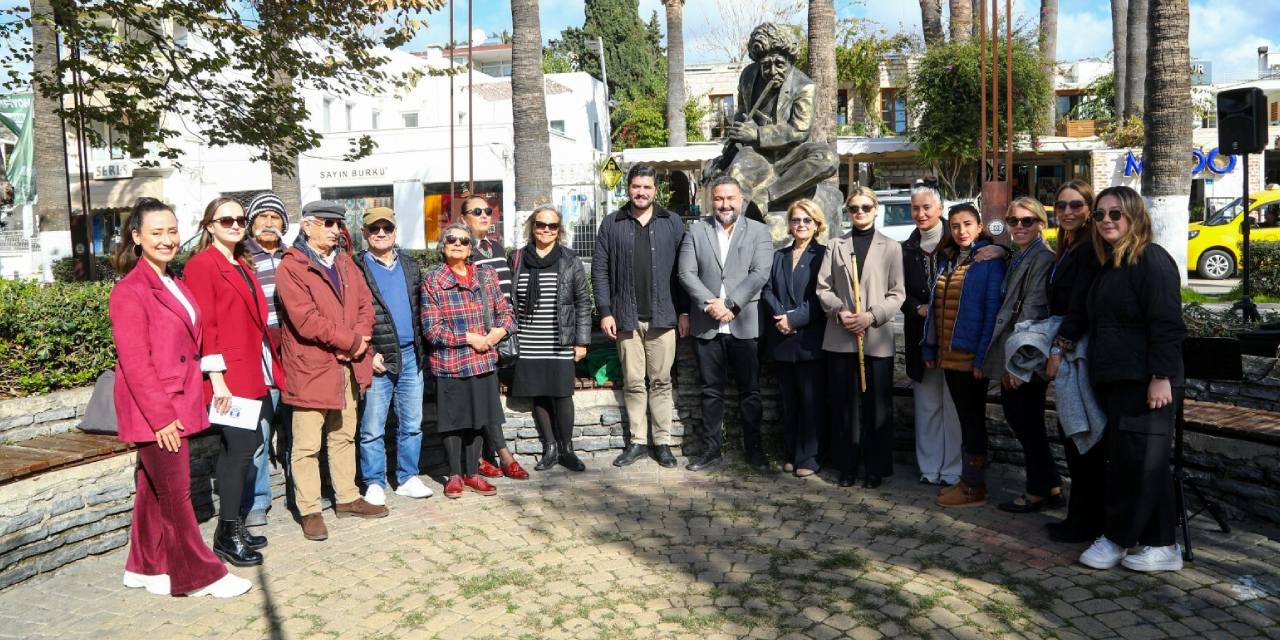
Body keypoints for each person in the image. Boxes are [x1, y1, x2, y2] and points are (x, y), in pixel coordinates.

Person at [110, 197, 251, 598]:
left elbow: (194, 344)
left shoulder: (176, 282)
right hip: (157, 413)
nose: (167, 239)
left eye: (172, 231)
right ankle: (198, 575)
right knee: (176, 495)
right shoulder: (129, 291)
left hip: (179, 403)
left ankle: (143, 566)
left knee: (152, 492)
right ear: (137, 237)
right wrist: (160, 419)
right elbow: (136, 363)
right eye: (157, 232)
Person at [1077, 186, 1187, 572]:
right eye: (1100, 215)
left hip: (1146, 381)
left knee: (1138, 462)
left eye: (1115, 214)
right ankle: (1161, 545)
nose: (1106, 220)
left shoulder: (1150, 260)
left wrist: (1161, 376)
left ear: (1135, 217)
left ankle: (1117, 539)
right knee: (1141, 461)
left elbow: (1167, 323)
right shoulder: (1113, 264)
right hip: (1118, 379)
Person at [183, 197, 287, 567]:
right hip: (228, 378)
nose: (235, 224)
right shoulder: (202, 266)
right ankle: (227, 533)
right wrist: (218, 381)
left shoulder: (241, 262)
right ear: (209, 225)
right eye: (226, 219)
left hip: (252, 370)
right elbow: (204, 328)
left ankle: (234, 525)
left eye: (240, 219)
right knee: (240, 450)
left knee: (243, 450)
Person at [276, 200, 388, 542]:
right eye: (327, 223)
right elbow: (306, 320)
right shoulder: (291, 267)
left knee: (344, 435)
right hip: (313, 366)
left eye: (338, 224)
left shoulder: (343, 262)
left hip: (347, 365)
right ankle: (309, 509)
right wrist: (351, 342)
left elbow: (365, 303)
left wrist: (359, 337)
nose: (335, 230)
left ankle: (346, 497)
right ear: (307, 226)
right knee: (307, 444)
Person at [593, 164, 689, 468]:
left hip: (664, 317)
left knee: (661, 381)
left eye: (647, 187)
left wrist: (685, 310)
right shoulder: (612, 223)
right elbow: (599, 271)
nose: (641, 192)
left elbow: (683, 272)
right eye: (636, 187)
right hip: (626, 317)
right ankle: (637, 441)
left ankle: (662, 442)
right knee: (634, 381)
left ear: (655, 190)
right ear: (628, 188)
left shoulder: (672, 222)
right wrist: (606, 311)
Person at [678, 175, 774, 472]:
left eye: (730, 198)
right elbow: (686, 273)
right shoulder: (696, 231)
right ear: (711, 201)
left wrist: (731, 304)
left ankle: (754, 450)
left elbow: (760, 273)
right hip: (707, 324)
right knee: (710, 391)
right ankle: (711, 450)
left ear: (741, 199)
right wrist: (711, 304)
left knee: (750, 391)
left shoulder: (758, 231)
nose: (724, 204)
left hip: (744, 323)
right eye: (719, 198)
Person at [817, 187, 906, 488]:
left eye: (866, 207)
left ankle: (875, 468)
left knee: (877, 406)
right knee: (844, 405)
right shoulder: (836, 245)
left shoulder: (892, 247)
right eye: (854, 208)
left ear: (876, 209)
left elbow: (898, 293)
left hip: (876, 337)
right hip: (841, 336)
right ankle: (847, 465)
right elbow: (823, 288)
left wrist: (871, 316)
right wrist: (841, 312)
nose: (860, 213)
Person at [422, 222, 516, 498]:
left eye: (464, 241)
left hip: (484, 359)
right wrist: (469, 338)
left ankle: (473, 473)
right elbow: (432, 328)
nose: (457, 244)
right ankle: (453, 474)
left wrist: (498, 332)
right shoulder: (433, 279)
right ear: (442, 245)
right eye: (451, 239)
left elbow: (506, 312)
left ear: (471, 248)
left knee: (478, 418)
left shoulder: (485, 276)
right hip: (450, 362)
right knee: (453, 421)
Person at [923, 203, 1007, 508]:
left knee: (972, 421)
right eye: (956, 226)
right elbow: (936, 309)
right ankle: (968, 481)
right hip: (949, 357)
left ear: (980, 226)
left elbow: (991, 314)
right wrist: (930, 348)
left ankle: (974, 487)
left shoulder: (989, 262)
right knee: (965, 419)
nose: (962, 231)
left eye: (968, 224)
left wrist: (982, 358)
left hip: (970, 359)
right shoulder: (950, 260)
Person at [981, 197, 1062, 513]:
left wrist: (1017, 365)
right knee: (1023, 421)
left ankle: (1038, 491)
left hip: (1024, 355)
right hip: (1014, 351)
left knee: (1026, 422)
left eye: (1027, 221)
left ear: (1041, 223)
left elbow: (1033, 311)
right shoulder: (1020, 254)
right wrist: (1002, 249)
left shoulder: (1041, 258)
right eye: (1014, 221)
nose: (1019, 227)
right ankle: (1050, 485)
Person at [354, 207, 432, 505]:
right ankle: (374, 481)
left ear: (395, 231)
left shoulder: (410, 266)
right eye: (375, 229)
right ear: (366, 234)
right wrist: (366, 353)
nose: (381, 233)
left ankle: (407, 477)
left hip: (411, 356)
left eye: (387, 228)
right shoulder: (355, 267)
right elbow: (349, 316)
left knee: (412, 422)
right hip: (376, 357)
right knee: (372, 426)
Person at [1043, 181, 1106, 543]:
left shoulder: (1088, 249)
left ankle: (1084, 521)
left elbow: (1080, 305)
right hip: (1070, 349)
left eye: (1077, 205)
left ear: (1089, 208)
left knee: (1080, 434)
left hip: (1077, 353)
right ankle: (1081, 517)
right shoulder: (1069, 246)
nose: (1068, 211)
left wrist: (1058, 349)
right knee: (1072, 434)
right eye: (1062, 205)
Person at [508, 206, 593, 472]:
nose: (546, 230)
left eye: (552, 226)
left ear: (559, 230)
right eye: (541, 224)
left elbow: (582, 302)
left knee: (562, 394)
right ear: (532, 226)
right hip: (529, 339)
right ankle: (550, 448)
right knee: (539, 396)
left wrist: (581, 341)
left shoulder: (570, 259)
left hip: (560, 339)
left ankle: (567, 449)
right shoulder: (518, 258)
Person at [459, 194, 528, 481]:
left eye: (488, 210)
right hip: (476, 338)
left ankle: (482, 457)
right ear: (463, 218)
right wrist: (482, 335)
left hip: (500, 334)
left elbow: (506, 294)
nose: (485, 215)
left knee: (488, 398)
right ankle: (500, 454)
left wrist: (505, 327)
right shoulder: (460, 247)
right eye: (477, 211)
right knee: (481, 397)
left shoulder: (495, 247)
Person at [761, 199, 828, 478]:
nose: (801, 225)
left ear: (816, 224)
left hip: (810, 339)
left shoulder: (824, 255)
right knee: (788, 402)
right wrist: (781, 317)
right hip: (782, 338)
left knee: (811, 402)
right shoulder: (779, 256)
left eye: (806, 220)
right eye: (796, 220)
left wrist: (794, 319)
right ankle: (791, 452)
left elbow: (823, 296)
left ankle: (810, 457)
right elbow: (767, 289)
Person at [902, 186, 963, 487]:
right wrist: (918, 308)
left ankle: (952, 469)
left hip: (952, 339)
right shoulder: (906, 249)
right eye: (915, 208)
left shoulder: (957, 242)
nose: (921, 214)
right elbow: (898, 292)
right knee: (926, 405)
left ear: (940, 208)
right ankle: (929, 467)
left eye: (926, 207)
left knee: (952, 406)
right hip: (919, 338)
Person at [241, 191, 289, 527]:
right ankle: (258, 500)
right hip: (258, 354)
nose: (269, 223)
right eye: (262, 217)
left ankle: (305, 492)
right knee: (259, 431)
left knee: (298, 429)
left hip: (294, 352)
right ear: (251, 223)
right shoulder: (243, 258)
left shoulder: (295, 257)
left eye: (275, 217)